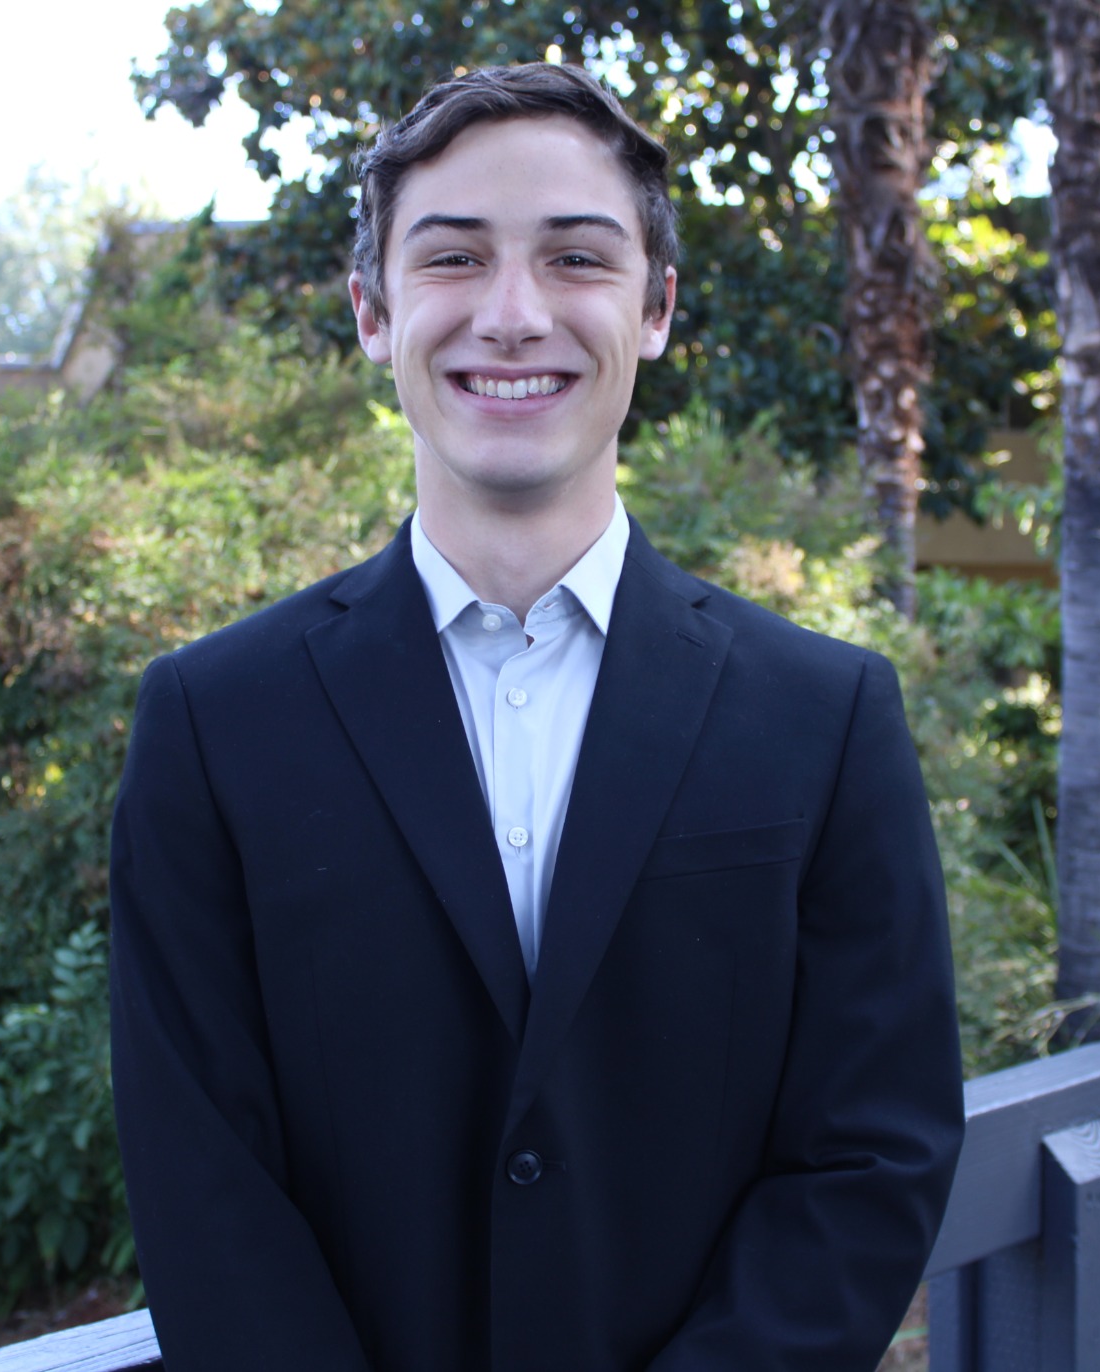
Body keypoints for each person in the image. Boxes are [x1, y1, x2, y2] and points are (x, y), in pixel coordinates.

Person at [108, 61, 964, 1372]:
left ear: (656, 306)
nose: (512, 316)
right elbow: (198, 1170)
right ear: (370, 311)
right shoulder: (213, 723)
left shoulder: (824, 716)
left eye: (576, 259)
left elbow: (872, 1148)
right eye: (451, 260)